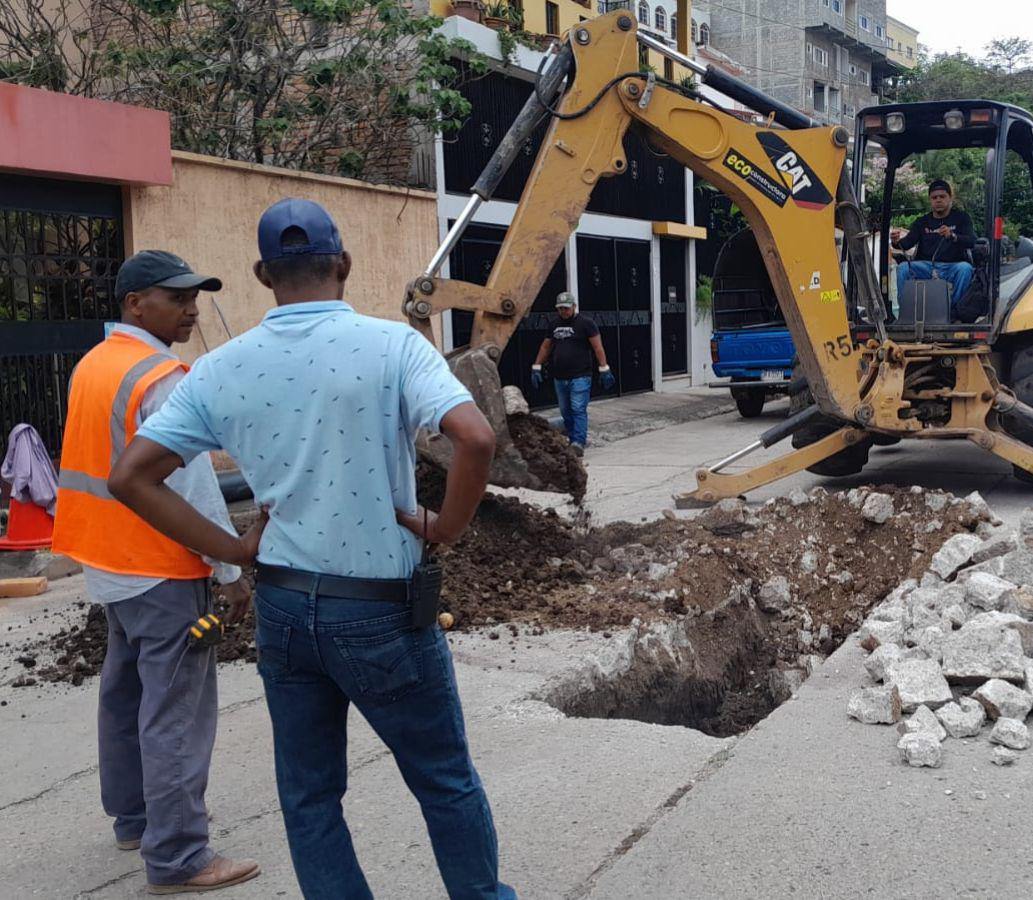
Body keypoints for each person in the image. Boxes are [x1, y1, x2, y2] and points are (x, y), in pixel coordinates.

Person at [107, 199, 516, 900]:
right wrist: (445, 526)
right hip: (382, 613)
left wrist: (235, 552)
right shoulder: (394, 347)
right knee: (444, 781)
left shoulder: (217, 369)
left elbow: (130, 478)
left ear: (264, 274)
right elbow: (475, 438)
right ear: (345, 265)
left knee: (310, 796)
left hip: (287, 611)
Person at [51, 250, 262, 895]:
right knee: (174, 711)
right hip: (163, 569)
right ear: (136, 304)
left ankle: (135, 819)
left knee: (126, 697)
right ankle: (178, 856)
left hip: (111, 565)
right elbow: (194, 487)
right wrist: (230, 567)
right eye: (177, 298)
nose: (191, 309)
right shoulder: (162, 376)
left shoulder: (96, 363)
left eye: (195, 297)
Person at [529, 292, 615, 455]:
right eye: (561, 308)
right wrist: (537, 366)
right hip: (560, 377)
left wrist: (604, 368)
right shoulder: (553, 325)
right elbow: (546, 347)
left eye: (566, 308)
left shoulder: (586, 324)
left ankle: (578, 442)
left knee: (578, 408)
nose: (564, 311)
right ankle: (572, 436)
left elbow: (598, 347)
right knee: (565, 410)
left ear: (574, 307)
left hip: (580, 375)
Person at [890, 178, 977, 309]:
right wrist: (896, 242)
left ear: (950, 198)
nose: (938, 200)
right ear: (930, 200)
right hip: (927, 267)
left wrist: (952, 236)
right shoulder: (921, 222)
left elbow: (972, 241)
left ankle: (954, 311)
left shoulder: (962, 218)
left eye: (942, 196)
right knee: (903, 268)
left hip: (953, 267)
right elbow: (907, 243)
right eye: (934, 197)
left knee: (965, 269)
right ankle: (906, 311)